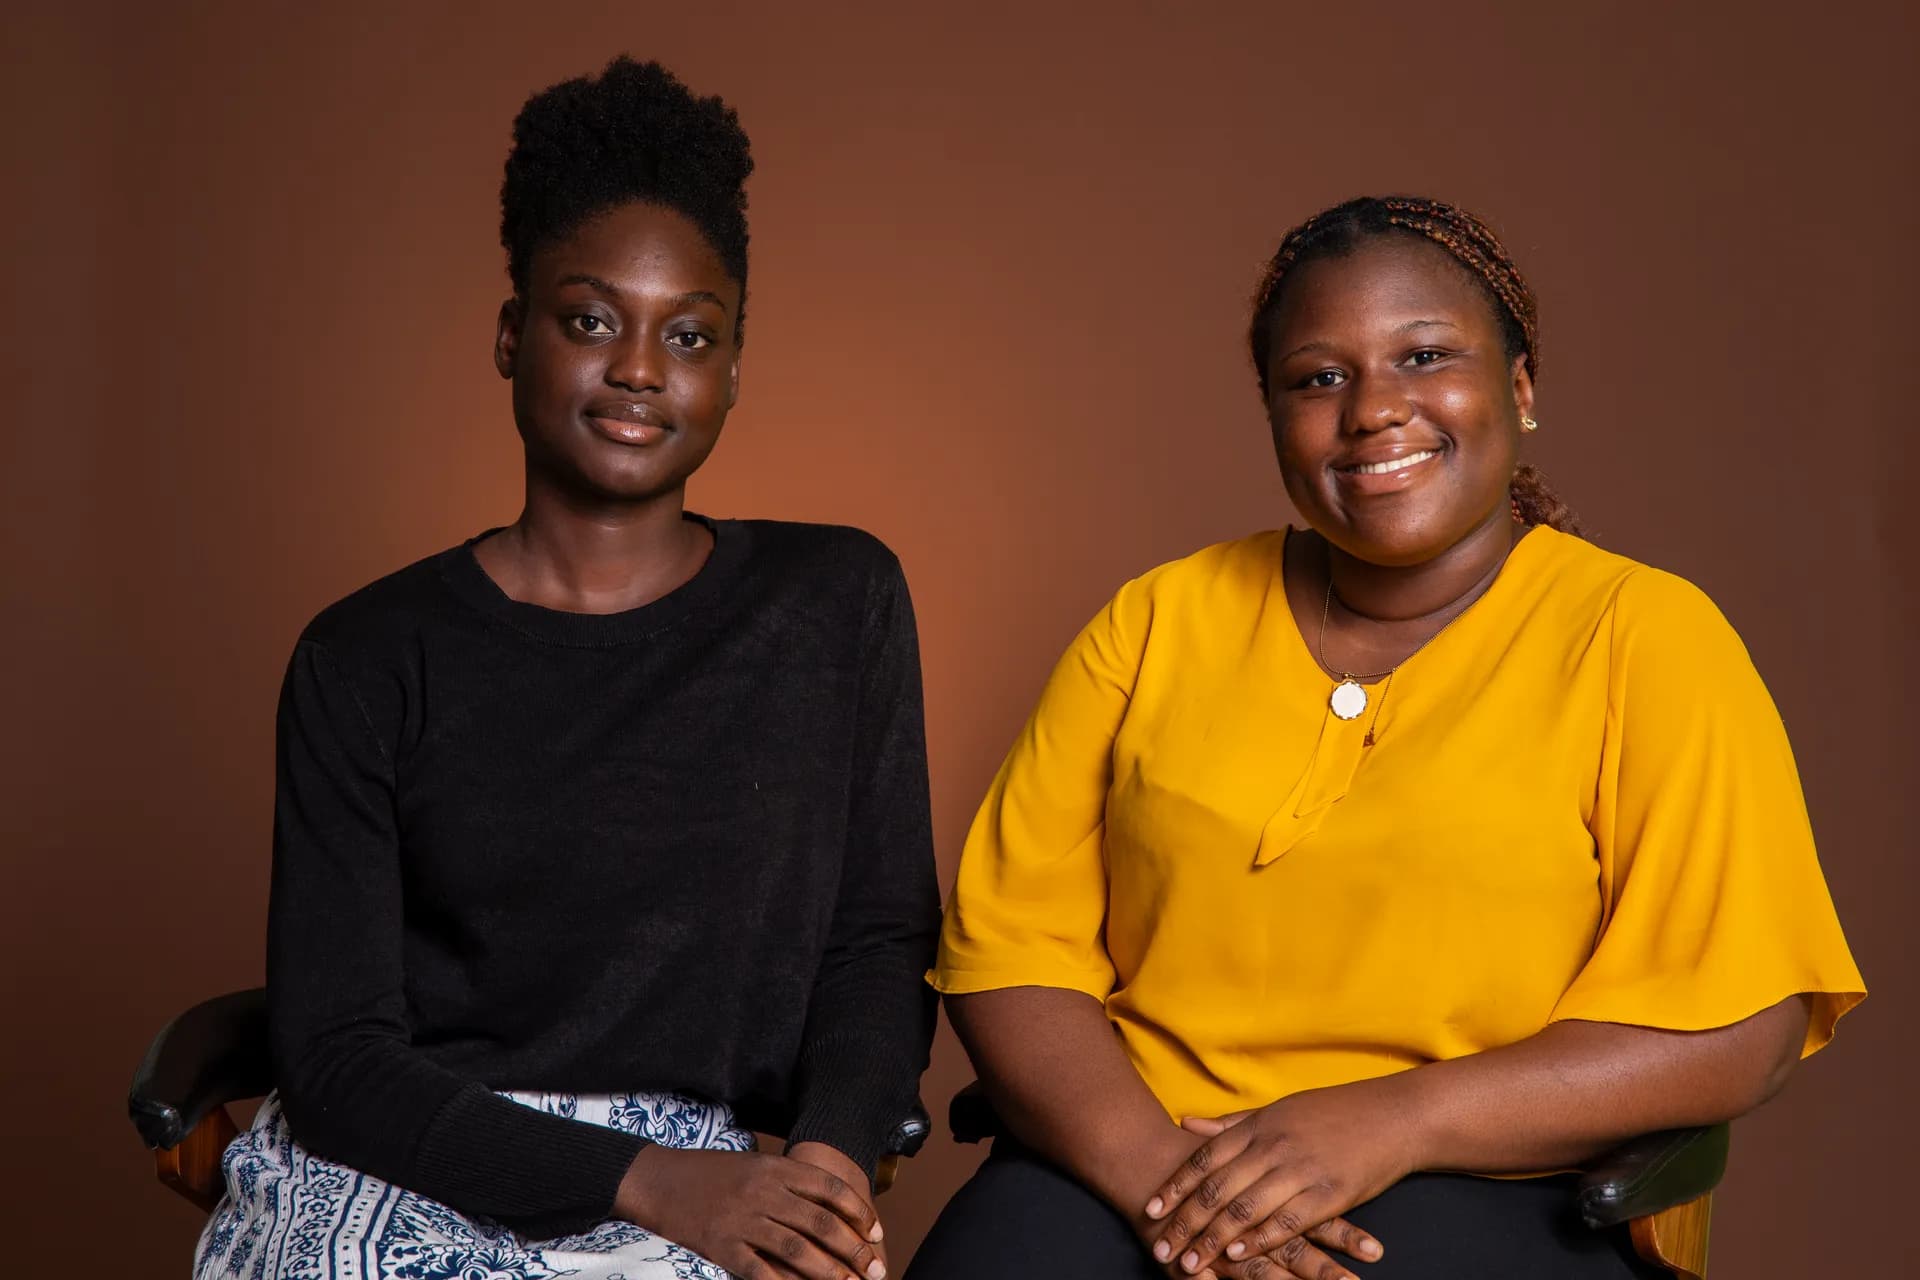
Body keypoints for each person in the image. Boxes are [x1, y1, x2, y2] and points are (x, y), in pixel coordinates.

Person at [907, 195, 1864, 1280]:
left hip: (1484, 1180)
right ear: (1275, 416)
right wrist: (1166, 1185)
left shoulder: (1643, 637)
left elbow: (1743, 1027)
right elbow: (1008, 952)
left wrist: (1393, 1120)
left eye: (1424, 356)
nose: (1371, 410)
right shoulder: (1156, 621)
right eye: (1319, 378)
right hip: (1143, 1162)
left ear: (1520, 388)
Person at [195, 57, 938, 1280]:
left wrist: (826, 1170)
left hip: (714, 1174)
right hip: (402, 1159)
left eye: (688, 335)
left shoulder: (832, 604)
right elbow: (336, 1058)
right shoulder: (365, 655)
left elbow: (876, 941)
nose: (639, 367)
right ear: (511, 334)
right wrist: (653, 1185)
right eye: (592, 320)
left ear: (734, 369)